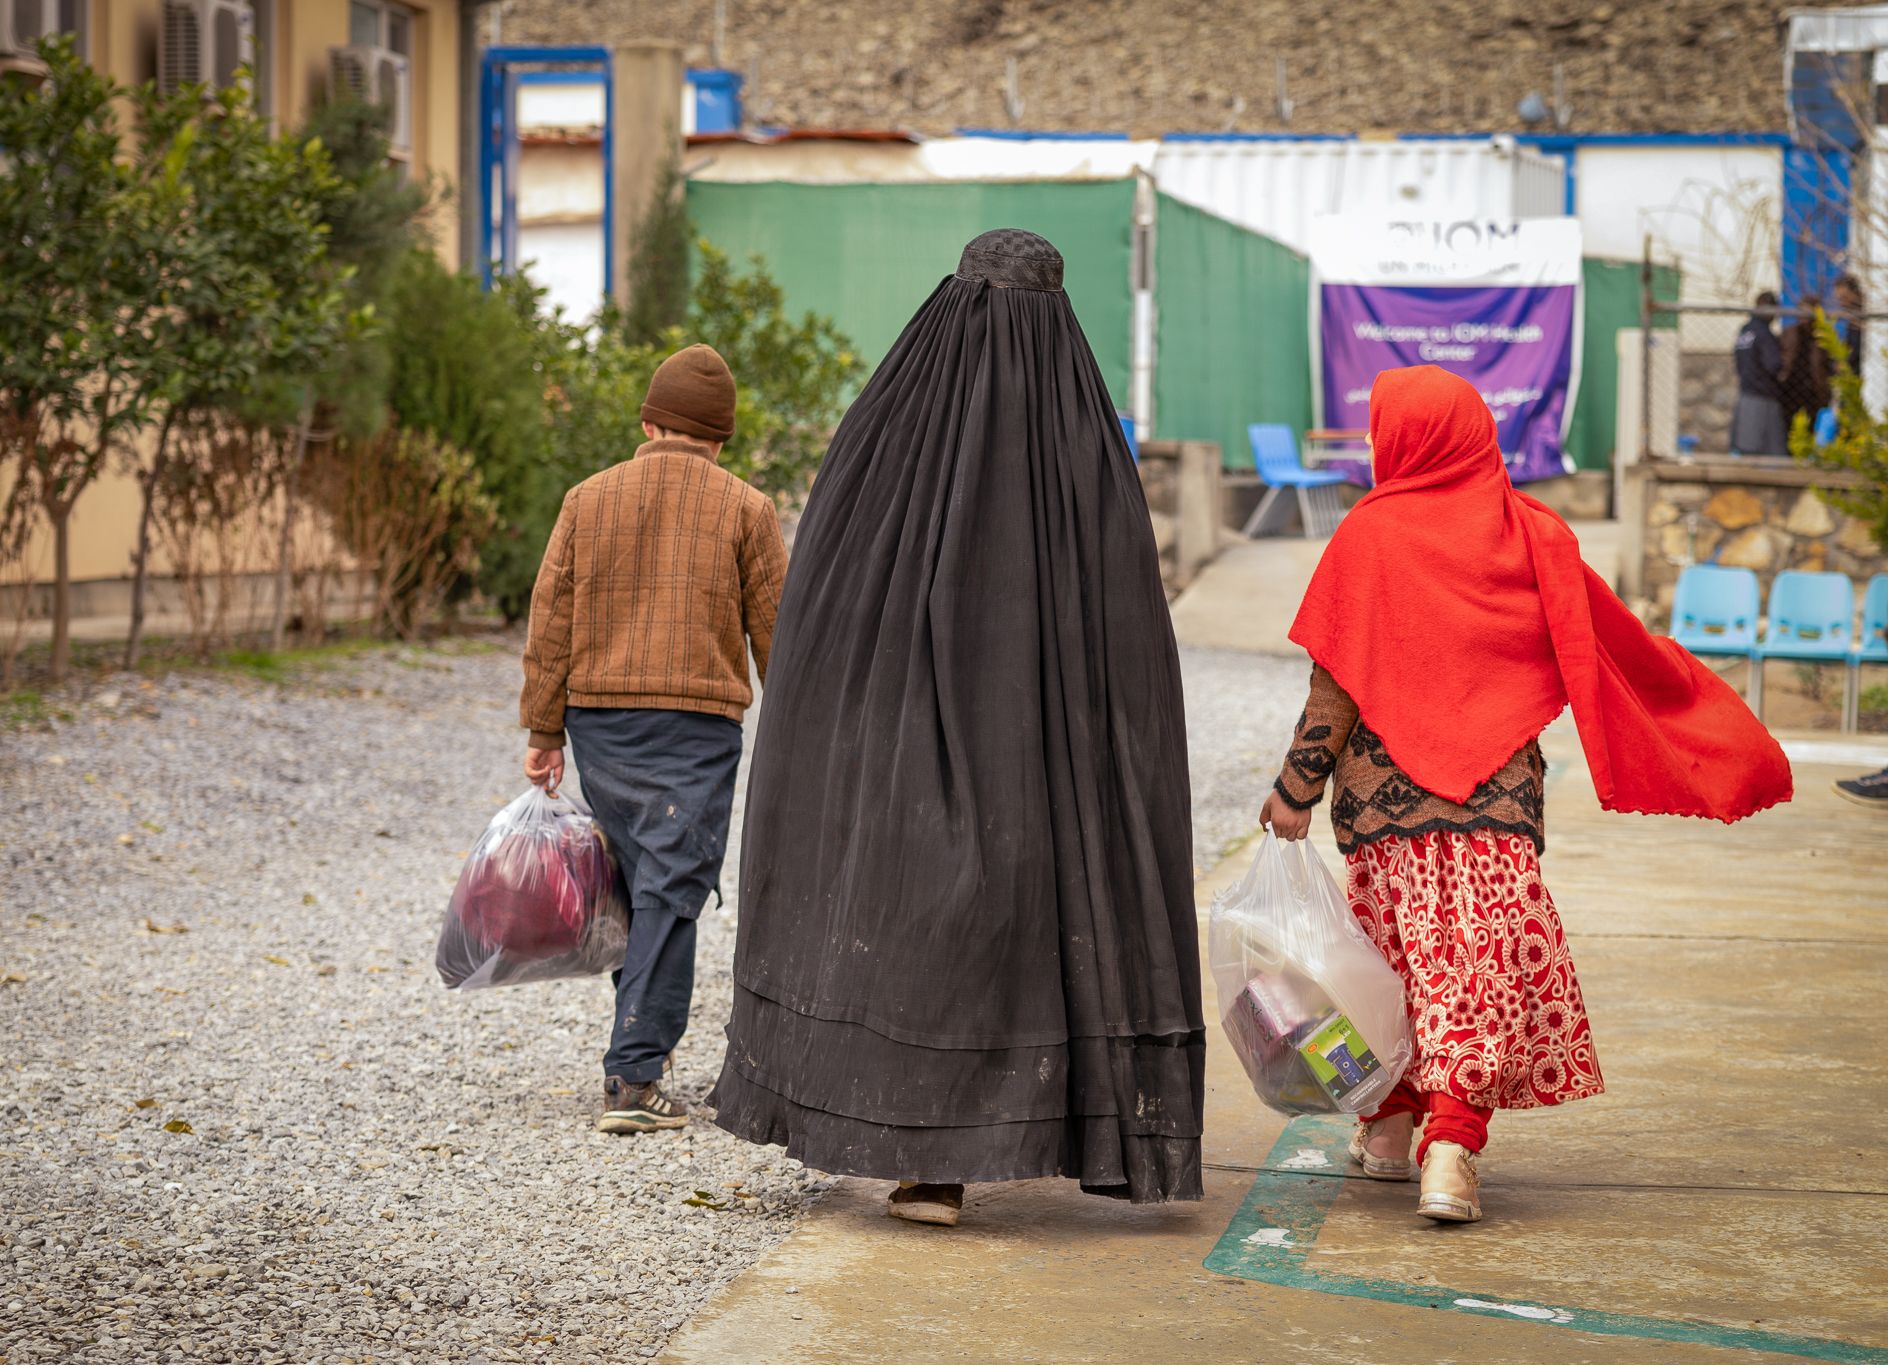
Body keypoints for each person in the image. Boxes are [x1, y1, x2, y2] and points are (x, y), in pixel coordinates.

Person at [708, 229, 1203, 1227]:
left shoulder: (886, 432)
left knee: (916, 914)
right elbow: (1128, 650)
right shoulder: (1083, 449)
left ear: (953, 299)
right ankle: (1077, 1133)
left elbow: (819, 616)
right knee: (1034, 919)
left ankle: (925, 1163)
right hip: (1047, 753)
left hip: (900, 735)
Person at [1259, 365, 1792, 1224]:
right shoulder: (1529, 533)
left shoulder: (1370, 536)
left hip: (1386, 817)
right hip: (1496, 810)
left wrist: (1295, 788)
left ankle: (1392, 1134)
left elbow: (1335, 686)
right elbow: (1607, 647)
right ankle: (1449, 1154)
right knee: (1477, 976)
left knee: (1393, 970)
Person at [521, 343, 789, 1136]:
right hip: (697, 726)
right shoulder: (746, 507)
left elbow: (551, 622)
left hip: (601, 722)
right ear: (720, 436)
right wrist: (802, 730)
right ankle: (634, 1075)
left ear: (647, 422)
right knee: (674, 887)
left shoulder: (586, 498)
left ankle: (644, 1050)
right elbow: (780, 633)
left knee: (644, 881)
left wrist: (544, 728)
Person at [1730, 292, 1785, 455]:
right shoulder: (1763, 334)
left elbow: (1739, 360)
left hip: (1747, 390)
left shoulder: (1745, 331)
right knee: (1769, 446)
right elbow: (1773, 364)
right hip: (1763, 394)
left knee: (1747, 444)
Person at [1779, 292, 1832, 436]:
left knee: (1811, 430)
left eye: (1808, 313)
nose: (1804, 317)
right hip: (1790, 388)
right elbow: (1781, 358)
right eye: (1801, 312)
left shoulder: (1822, 337)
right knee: (1788, 429)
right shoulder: (1790, 333)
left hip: (1813, 391)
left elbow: (1828, 365)